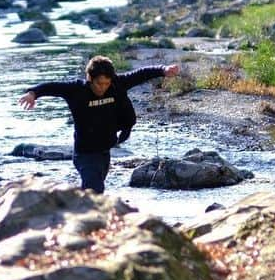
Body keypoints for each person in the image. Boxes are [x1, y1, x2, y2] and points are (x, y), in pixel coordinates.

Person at [18, 55, 179, 193]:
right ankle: (87, 223)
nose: (102, 88)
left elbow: (141, 74)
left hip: (105, 150)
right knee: (94, 190)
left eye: (106, 84)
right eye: (99, 83)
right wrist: (33, 93)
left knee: (96, 189)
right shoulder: (76, 90)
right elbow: (52, 87)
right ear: (90, 78)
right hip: (85, 153)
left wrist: (163, 70)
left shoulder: (117, 84)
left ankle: (84, 215)